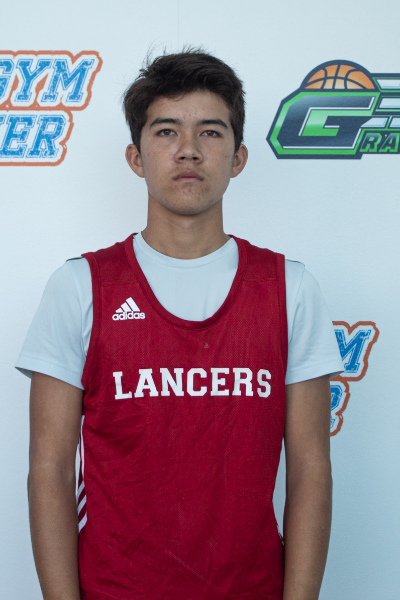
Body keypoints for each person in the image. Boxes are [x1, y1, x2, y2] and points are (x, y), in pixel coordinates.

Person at [16, 48, 344, 600]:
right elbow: (49, 469)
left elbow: (311, 468)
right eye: (166, 131)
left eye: (210, 132)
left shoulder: (290, 288)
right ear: (135, 157)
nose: (188, 149)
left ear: (238, 157)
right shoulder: (80, 286)